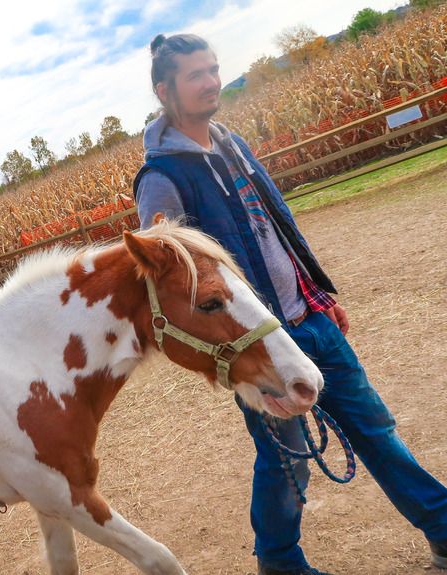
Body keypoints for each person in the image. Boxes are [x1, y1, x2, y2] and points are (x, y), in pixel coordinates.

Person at [133, 33, 447, 575]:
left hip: (311, 321)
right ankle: (279, 562)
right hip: (263, 346)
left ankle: (443, 530)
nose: (210, 82)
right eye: (195, 75)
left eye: (212, 69)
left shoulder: (232, 144)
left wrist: (315, 293)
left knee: (376, 429)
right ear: (165, 90)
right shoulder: (161, 180)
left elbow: (276, 228)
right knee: (288, 464)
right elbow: (173, 281)